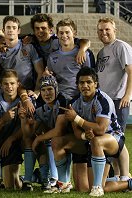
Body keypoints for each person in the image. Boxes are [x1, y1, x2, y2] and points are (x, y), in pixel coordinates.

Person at [64, 67, 132, 196]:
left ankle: (98, 186)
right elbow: (77, 133)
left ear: (95, 84)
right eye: (81, 83)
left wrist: (77, 118)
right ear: (77, 85)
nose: (85, 85)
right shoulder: (74, 103)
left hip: (113, 138)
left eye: (89, 82)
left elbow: (101, 129)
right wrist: (85, 135)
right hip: (92, 141)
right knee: (83, 188)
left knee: (97, 140)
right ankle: (124, 182)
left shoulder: (103, 100)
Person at [96, 17, 131, 182]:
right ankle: (117, 175)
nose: (104, 33)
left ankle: (125, 176)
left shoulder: (121, 47)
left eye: (107, 29)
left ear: (114, 30)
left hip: (119, 100)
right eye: (101, 30)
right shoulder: (101, 52)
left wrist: (127, 95)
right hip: (106, 103)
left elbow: (131, 71)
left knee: (118, 139)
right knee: (110, 138)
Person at [19, 75, 68, 191]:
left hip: (69, 140)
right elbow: (29, 134)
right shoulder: (39, 103)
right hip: (55, 140)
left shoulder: (63, 100)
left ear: (56, 90)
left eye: (50, 89)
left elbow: (59, 130)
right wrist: (23, 119)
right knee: (32, 140)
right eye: (43, 90)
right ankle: (36, 180)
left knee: (51, 138)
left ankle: (55, 179)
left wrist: (38, 138)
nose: (47, 93)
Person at [0, 69, 23, 189]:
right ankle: (21, 181)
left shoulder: (25, 102)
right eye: (6, 84)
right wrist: (2, 120)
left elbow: (32, 127)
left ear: (18, 84)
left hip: (22, 141)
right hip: (5, 146)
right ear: (1, 85)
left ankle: (32, 178)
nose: (9, 87)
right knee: (10, 186)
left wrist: (12, 138)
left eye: (12, 83)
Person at [0, 16, 44, 94]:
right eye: (8, 27)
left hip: (27, 92)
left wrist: (36, 92)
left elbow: (40, 72)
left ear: (18, 30)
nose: (11, 30)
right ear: (3, 30)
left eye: (14, 28)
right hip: (8, 93)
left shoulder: (28, 47)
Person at [47, 18, 95, 100]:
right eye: (61, 33)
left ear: (74, 33)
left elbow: (90, 80)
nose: (64, 36)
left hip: (79, 99)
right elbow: (51, 78)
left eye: (67, 32)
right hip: (58, 99)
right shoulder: (52, 57)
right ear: (57, 35)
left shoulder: (84, 54)